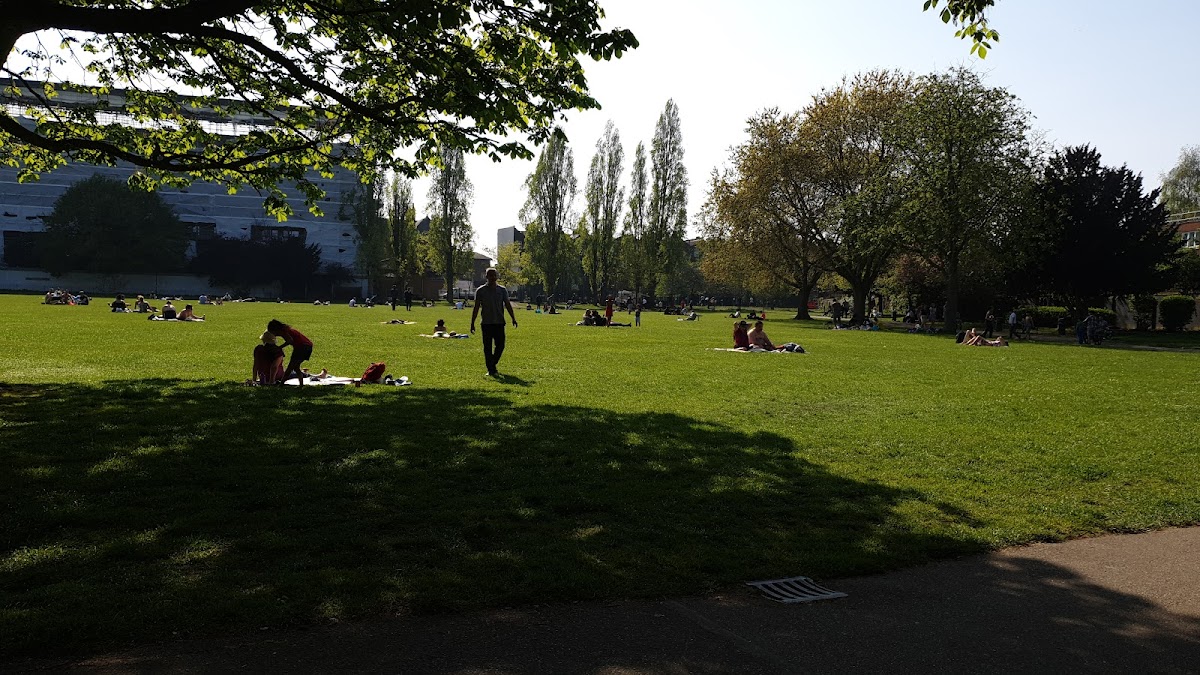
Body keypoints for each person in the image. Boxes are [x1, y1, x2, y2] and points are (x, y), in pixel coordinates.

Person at [469, 267, 518, 377]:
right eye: (490, 275)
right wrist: (472, 323)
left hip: (499, 322)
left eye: (494, 275)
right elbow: (476, 308)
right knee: (487, 348)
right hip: (486, 323)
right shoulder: (481, 291)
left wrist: (513, 318)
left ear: (497, 276)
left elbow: (508, 304)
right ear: (486, 277)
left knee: (500, 346)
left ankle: (492, 364)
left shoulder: (502, 290)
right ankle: (491, 370)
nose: (492, 277)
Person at [267, 319, 313, 385]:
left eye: (273, 332)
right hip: (304, 347)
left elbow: (290, 341)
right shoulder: (285, 330)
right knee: (296, 367)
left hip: (303, 347)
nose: (274, 335)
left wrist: (279, 347)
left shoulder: (284, 332)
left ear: (276, 330)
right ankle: (301, 385)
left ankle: (281, 384)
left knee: (290, 367)